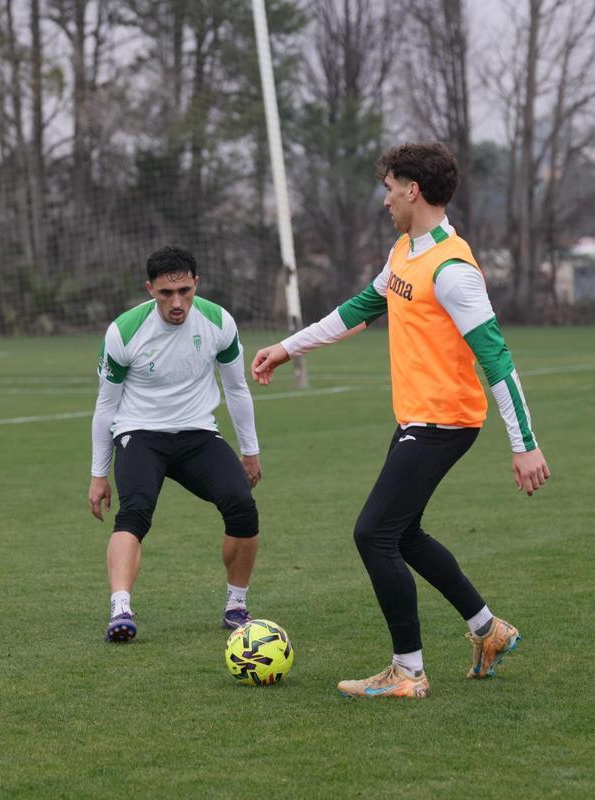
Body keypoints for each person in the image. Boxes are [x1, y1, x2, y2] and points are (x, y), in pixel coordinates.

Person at [250, 143, 550, 698]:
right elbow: (359, 309)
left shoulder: (454, 269)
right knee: (401, 533)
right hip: (419, 416)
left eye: (389, 186)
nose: (385, 197)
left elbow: (497, 359)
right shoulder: (405, 251)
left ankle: (407, 672)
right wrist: (288, 348)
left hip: (446, 421)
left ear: (413, 189)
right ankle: (489, 630)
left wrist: (524, 444)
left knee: (373, 533)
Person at [89, 245, 263, 643]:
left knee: (241, 505)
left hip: (197, 433)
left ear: (196, 284)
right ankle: (121, 609)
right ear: (150, 289)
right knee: (135, 512)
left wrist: (250, 451)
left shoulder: (218, 322)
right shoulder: (124, 331)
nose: (177, 302)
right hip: (139, 433)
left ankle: (236, 606)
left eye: (185, 290)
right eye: (166, 293)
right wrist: (99, 474)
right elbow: (105, 406)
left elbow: (237, 388)